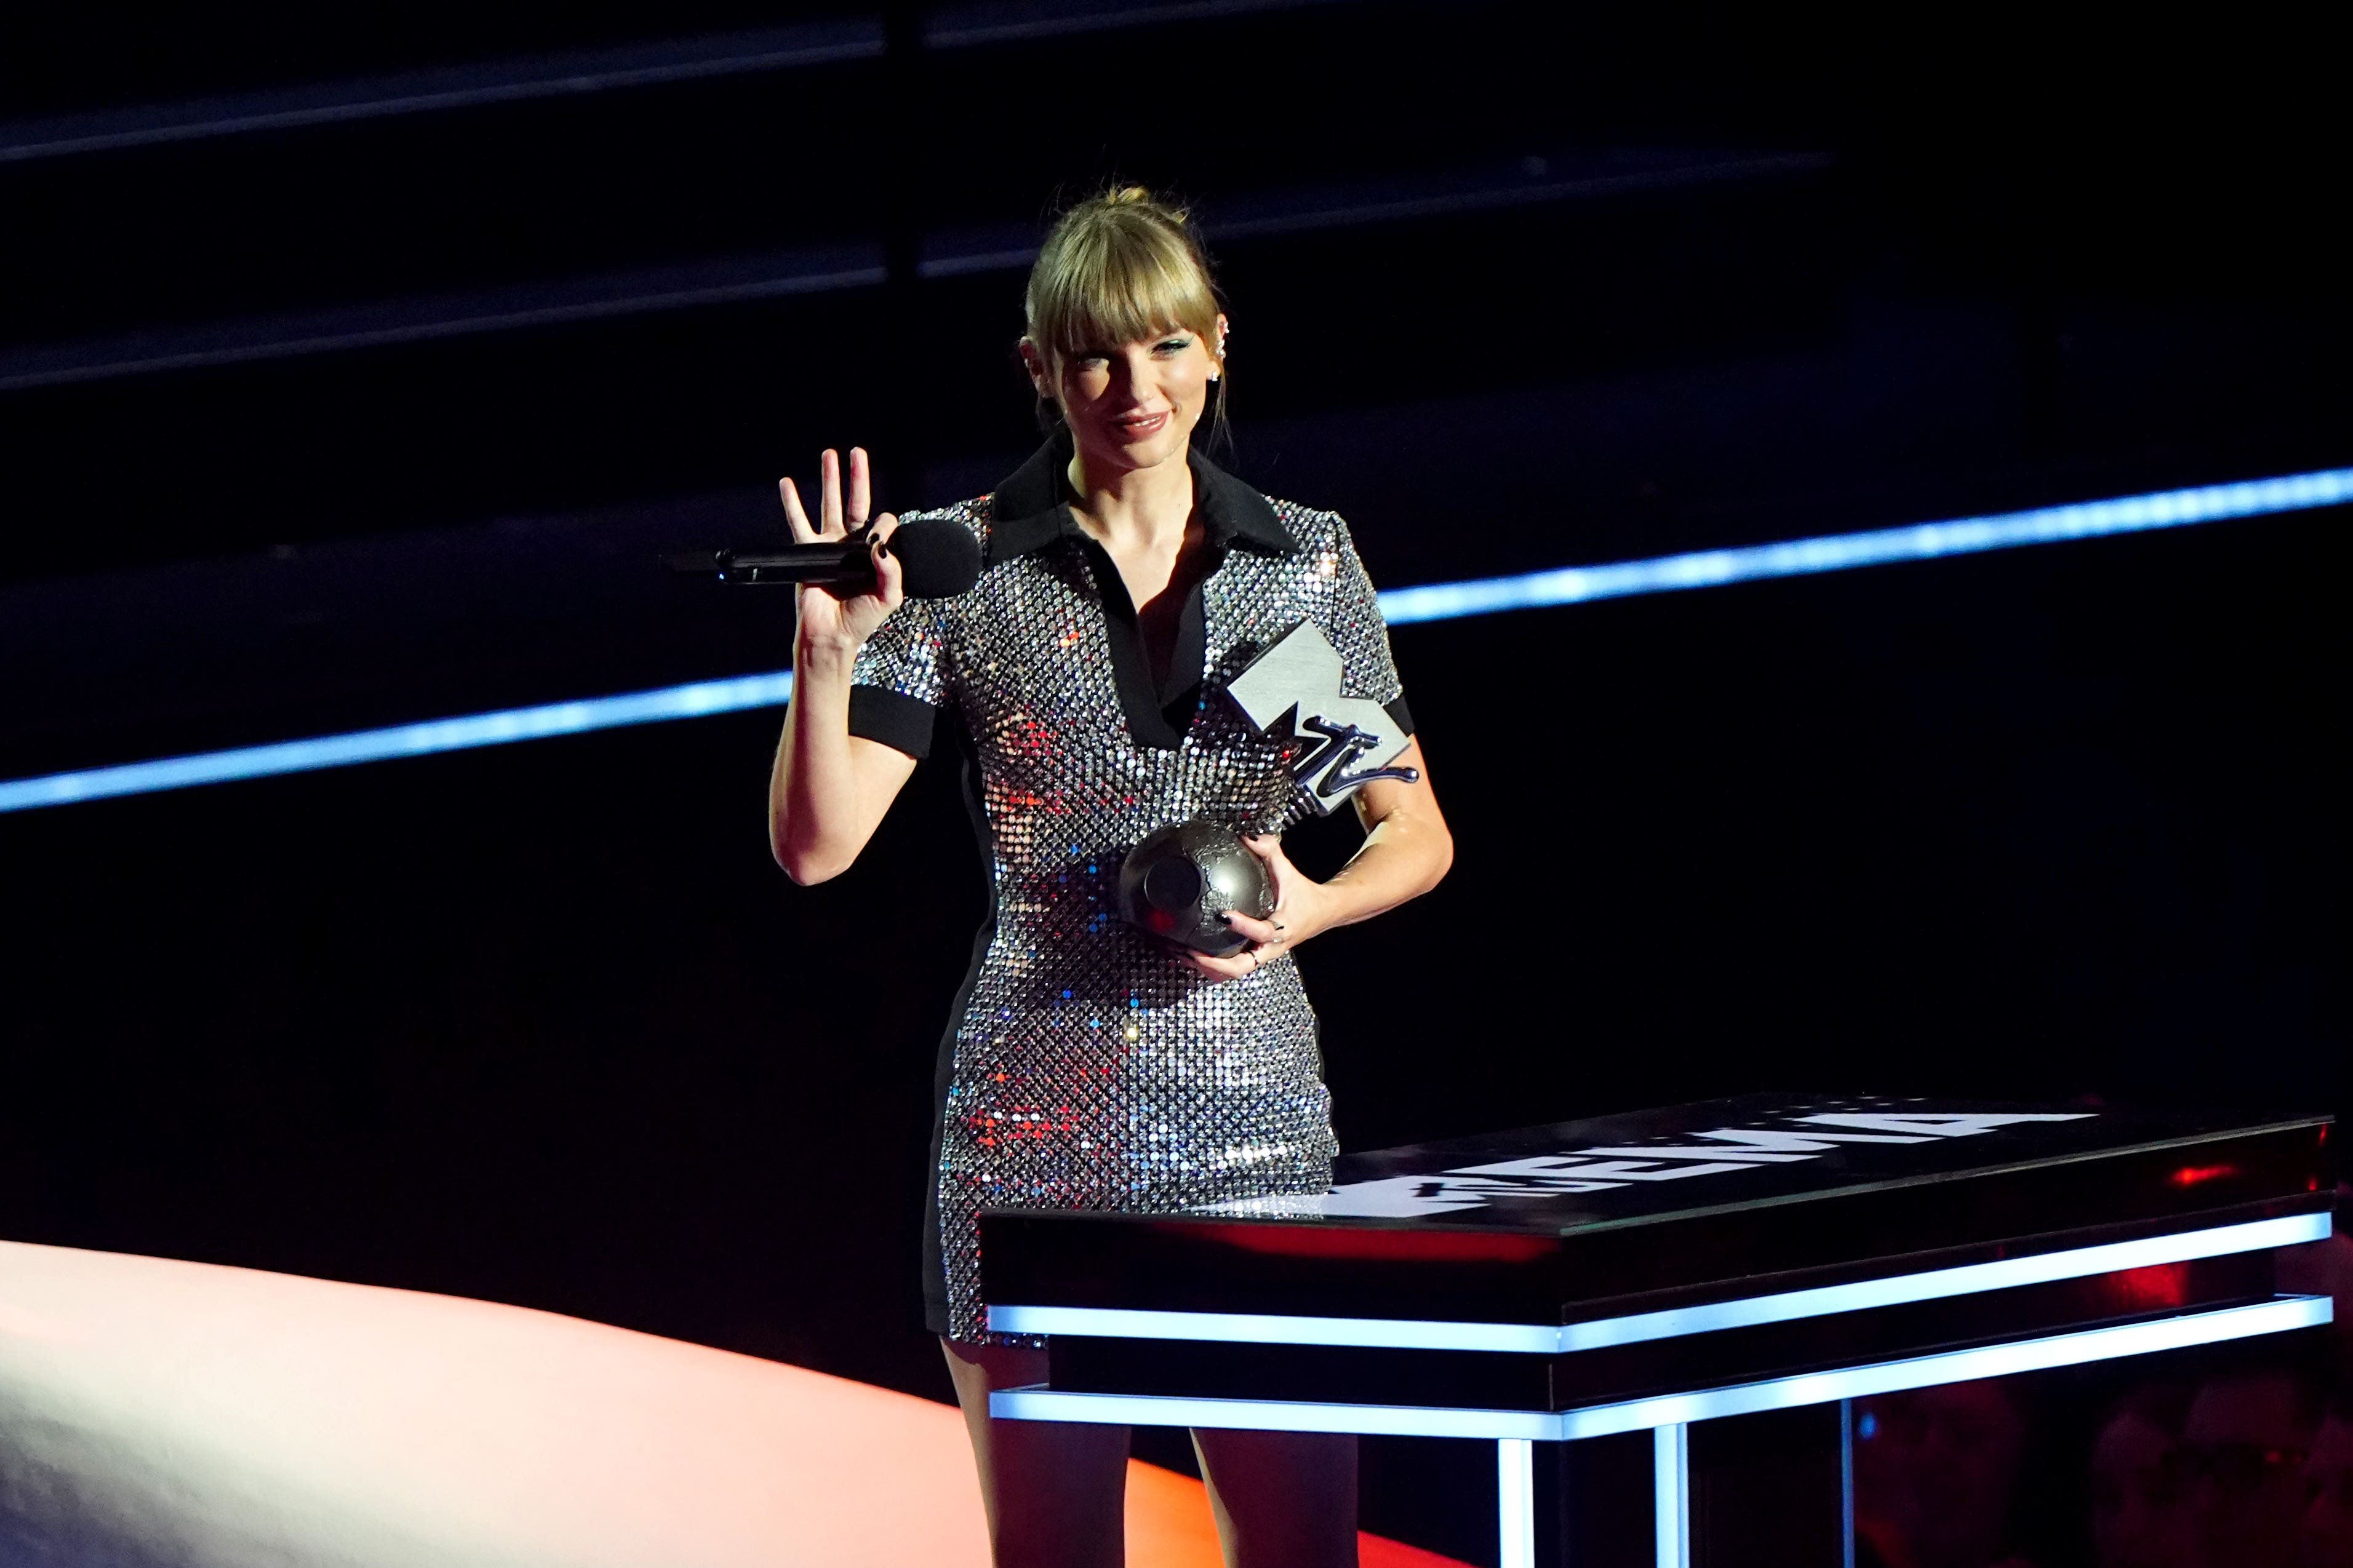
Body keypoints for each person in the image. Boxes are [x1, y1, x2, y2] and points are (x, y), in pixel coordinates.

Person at [767, 186, 1453, 1567]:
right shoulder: (959, 567)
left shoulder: (1285, 568)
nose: (1129, 386)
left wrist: (1310, 903)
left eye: (1159, 349)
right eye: (1091, 353)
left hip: (1252, 1127)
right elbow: (818, 848)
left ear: (1212, 353)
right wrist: (828, 653)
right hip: (1030, 1136)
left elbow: (1414, 833)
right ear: (1038, 369)